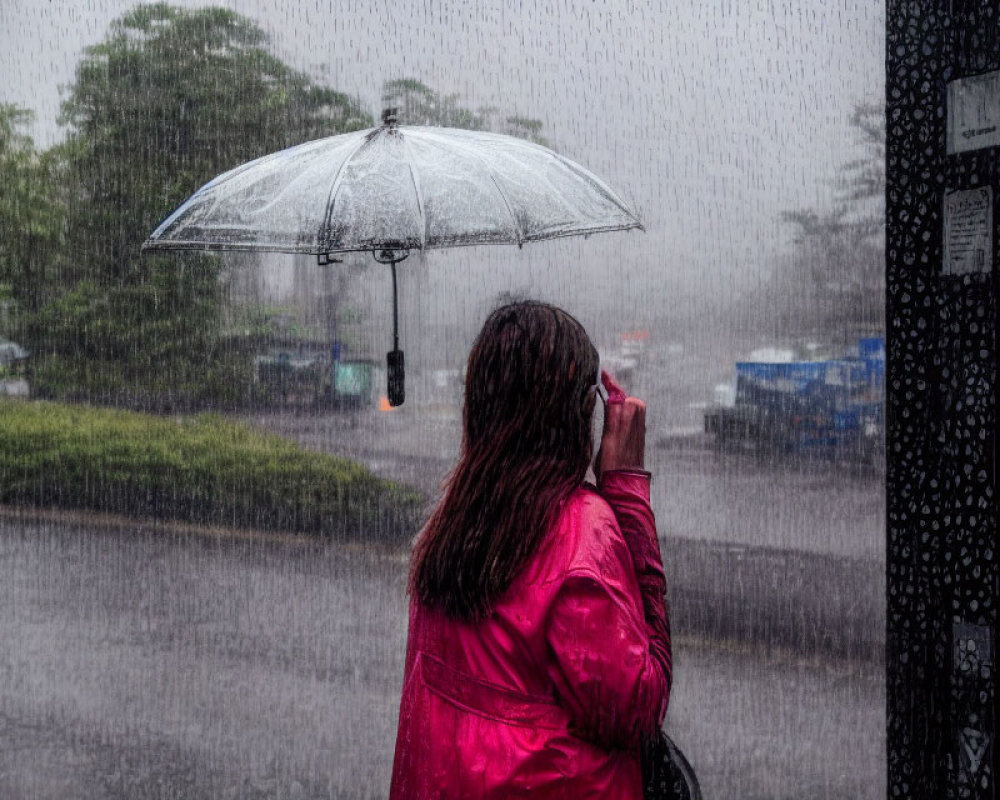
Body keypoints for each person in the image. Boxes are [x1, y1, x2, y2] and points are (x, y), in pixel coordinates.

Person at [389, 301, 672, 799]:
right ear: (582, 413)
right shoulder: (583, 533)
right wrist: (625, 490)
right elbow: (638, 707)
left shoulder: (453, 520)